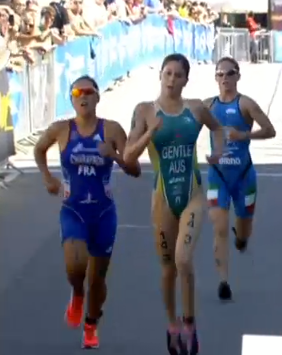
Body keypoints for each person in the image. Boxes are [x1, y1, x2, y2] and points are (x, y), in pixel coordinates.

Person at [123, 53, 225, 354]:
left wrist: (217, 153)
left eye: (177, 75)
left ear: (185, 80)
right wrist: (150, 134)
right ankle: (172, 324)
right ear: (161, 76)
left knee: (183, 259)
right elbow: (128, 156)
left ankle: (190, 323)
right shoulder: (144, 111)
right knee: (168, 268)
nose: (171, 80)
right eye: (167, 73)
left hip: (192, 194)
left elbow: (218, 129)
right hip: (163, 198)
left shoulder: (195, 108)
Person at [33, 75, 141, 349]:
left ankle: (91, 324)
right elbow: (39, 148)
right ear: (71, 98)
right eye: (77, 92)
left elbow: (135, 169)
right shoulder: (61, 129)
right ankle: (77, 294)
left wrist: (114, 155)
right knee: (75, 266)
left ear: (97, 97)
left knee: (98, 278)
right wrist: (47, 177)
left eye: (89, 92)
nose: (83, 96)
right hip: (73, 211)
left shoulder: (112, 130)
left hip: (104, 214)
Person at [204, 57, 276, 301]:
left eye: (230, 73)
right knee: (219, 227)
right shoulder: (208, 106)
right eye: (220, 74)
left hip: (244, 176)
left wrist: (243, 134)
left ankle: (242, 237)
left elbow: (270, 130)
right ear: (215, 78)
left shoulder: (245, 104)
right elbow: (183, 123)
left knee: (242, 231)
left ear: (238, 76)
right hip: (218, 176)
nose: (225, 78)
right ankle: (223, 281)